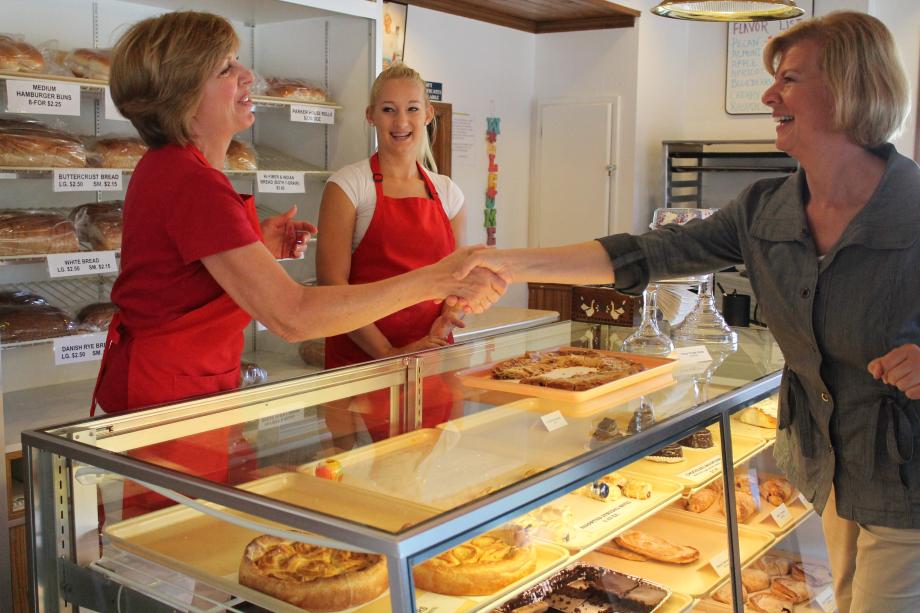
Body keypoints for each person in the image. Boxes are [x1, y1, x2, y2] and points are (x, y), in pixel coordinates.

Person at [456, 12, 920, 612]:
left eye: (791, 79)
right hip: (829, 468)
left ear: (852, 90)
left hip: (909, 477)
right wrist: (510, 262)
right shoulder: (765, 209)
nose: (769, 94)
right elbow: (651, 252)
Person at [93, 11, 506, 515]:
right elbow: (293, 315)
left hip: (188, 390)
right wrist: (433, 281)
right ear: (182, 92)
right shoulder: (192, 181)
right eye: (226, 69)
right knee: (178, 549)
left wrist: (255, 247)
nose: (247, 76)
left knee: (189, 539)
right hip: (176, 399)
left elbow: (180, 277)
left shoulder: (175, 170)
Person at [316, 64, 467, 442]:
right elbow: (332, 285)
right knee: (354, 480)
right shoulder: (349, 185)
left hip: (429, 360)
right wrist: (388, 351)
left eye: (413, 108)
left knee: (423, 469)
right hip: (361, 361)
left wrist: (446, 320)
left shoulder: (448, 193)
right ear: (371, 116)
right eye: (388, 109)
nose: (401, 121)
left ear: (428, 114)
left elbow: (459, 282)